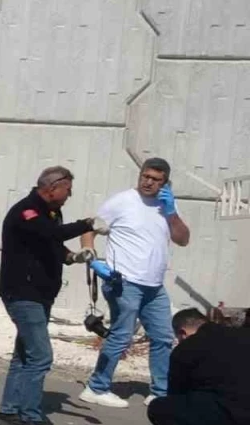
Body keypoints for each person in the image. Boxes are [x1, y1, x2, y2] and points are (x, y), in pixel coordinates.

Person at [0, 166, 96, 425]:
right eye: (67, 190)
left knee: (25, 356)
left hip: (40, 294)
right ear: (52, 187)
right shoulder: (26, 211)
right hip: (23, 293)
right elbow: (49, 233)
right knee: (41, 357)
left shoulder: (51, 213)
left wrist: (72, 257)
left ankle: (9, 410)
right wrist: (88, 224)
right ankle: (30, 418)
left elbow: (49, 242)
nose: (69, 195)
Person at [79, 158, 190, 409]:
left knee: (163, 337)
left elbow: (183, 240)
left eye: (156, 179)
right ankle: (96, 388)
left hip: (154, 286)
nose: (148, 182)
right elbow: (88, 227)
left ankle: (160, 392)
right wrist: (90, 256)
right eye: (145, 176)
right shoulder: (122, 201)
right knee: (121, 335)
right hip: (124, 281)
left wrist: (171, 213)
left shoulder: (167, 206)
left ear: (165, 183)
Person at [146, 309, 250, 425]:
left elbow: (177, 399)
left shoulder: (186, 348)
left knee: (160, 409)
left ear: (182, 333)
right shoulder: (243, 334)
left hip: (236, 418)